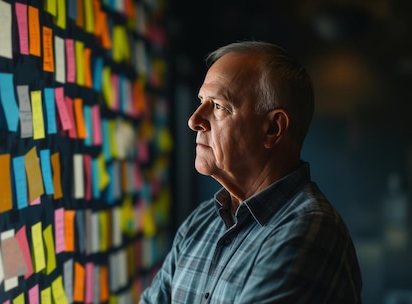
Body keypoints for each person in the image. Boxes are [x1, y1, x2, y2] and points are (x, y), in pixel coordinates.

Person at [139, 41, 363, 303]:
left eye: (219, 106)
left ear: (273, 129)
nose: (194, 120)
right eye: (202, 101)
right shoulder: (200, 224)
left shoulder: (309, 229)